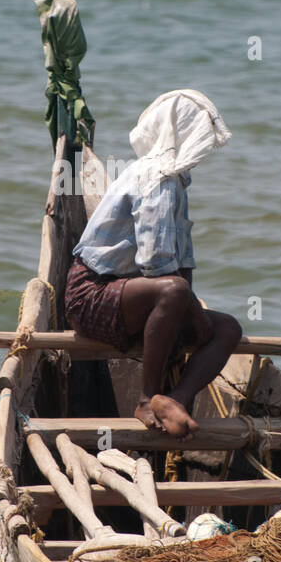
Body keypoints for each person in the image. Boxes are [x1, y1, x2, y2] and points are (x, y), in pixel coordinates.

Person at [65, 89, 242, 439]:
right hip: (91, 297)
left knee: (228, 329)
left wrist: (194, 317)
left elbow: (183, 257)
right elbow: (158, 264)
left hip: (135, 299)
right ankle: (145, 399)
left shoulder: (175, 180)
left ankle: (174, 398)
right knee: (174, 291)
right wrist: (189, 311)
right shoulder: (155, 179)